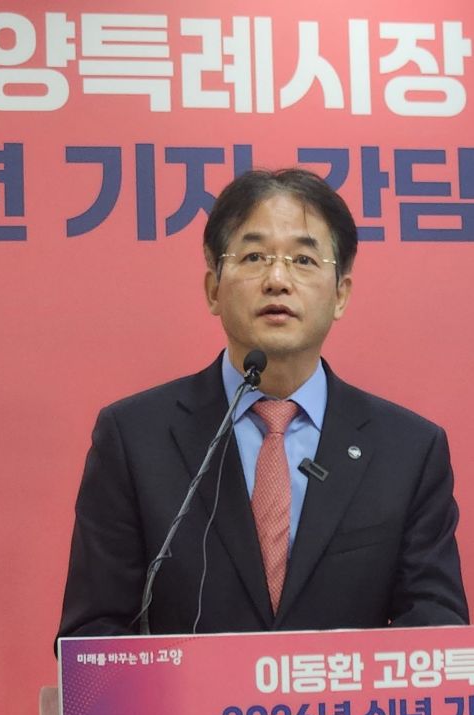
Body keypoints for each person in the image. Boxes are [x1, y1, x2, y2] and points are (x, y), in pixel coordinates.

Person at [56, 168, 468, 644]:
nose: (277, 280)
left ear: (341, 294)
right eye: (254, 257)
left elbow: (436, 630)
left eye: (303, 260)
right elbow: (94, 634)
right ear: (213, 289)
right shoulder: (133, 438)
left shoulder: (408, 450)